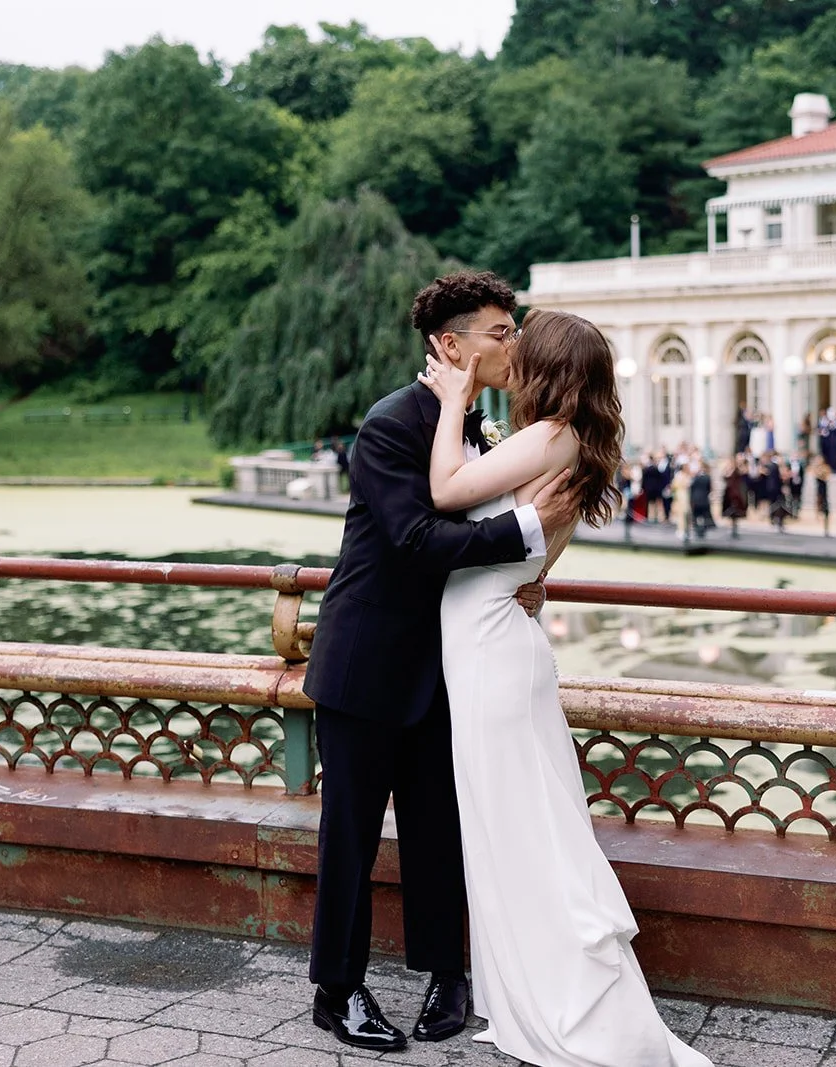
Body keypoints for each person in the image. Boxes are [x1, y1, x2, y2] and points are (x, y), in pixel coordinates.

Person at [418, 310, 713, 1067]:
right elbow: (533, 559)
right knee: (509, 827)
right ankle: (527, 996)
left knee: (522, 830)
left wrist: (453, 400)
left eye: (524, 341)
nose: (511, 348)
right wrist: (534, 581)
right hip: (494, 641)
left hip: (491, 651)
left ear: (548, 365)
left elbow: (446, 490)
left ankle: (568, 1006)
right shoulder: (567, 439)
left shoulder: (548, 434)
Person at [303, 272, 582, 1053]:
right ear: (450, 345)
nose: (515, 343)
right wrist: (524, 532)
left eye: (514, 329)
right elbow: (415, 541)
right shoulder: (391, 424)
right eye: (501, 331)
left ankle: (447, 977)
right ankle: (337, 989)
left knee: (440, 830)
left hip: (452, 666)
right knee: (350, 835)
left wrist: (531, 573)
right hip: (365, 663)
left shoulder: (487, 430)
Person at [722, 455, 749, 538]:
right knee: (731, 511)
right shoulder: (729, 470)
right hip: (729, 493)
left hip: (736, 493)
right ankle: (732, 528)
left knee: (736, 511)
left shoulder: (738, 470)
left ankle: (734, 528)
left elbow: (744, 472)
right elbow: (724, 477)